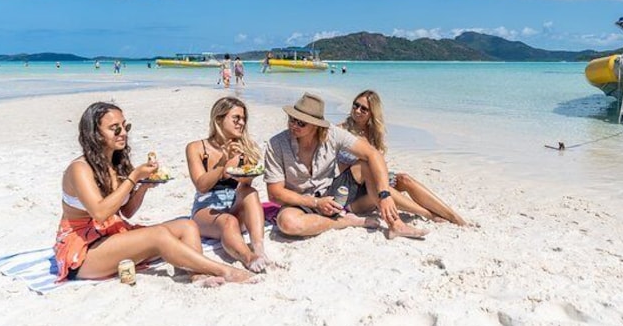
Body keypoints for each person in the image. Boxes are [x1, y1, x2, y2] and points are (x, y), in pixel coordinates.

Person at [54, 102, 255, 286]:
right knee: (158, 235)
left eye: (125, 126)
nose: (123, 132)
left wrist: (143, 186)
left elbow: (127, 211)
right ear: (95, 134)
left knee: (187, 225)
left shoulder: (115, 163)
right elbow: (100, 213)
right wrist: (134, 177)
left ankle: (196, 274)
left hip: (112, 235)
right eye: (115, 128)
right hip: (84, 251)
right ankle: (223, 270)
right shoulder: (80, 169)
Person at [265, 92, 428, 239]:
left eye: (301, 123)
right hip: (300, 199)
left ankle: (396, 225)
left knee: (365, 164)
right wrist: (315, 203)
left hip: (333, 190)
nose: (294, 125)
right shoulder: (276, 144)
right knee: (287, 223)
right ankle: (342, 222)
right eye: (292, 119)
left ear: (315, 125)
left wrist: (385, 195)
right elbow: (275, 193)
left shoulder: (332, 134)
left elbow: (373, 154)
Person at [340, 90, 466, 226]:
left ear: (372, 113)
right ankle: (428, 214)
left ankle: (453, 216)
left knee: (404, 179)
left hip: (371, 187)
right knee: (383, 188)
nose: (357, 110)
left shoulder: (372, 134)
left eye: (364, 109)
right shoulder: (341, 131)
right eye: (355, 105)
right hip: (351, 195)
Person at [186, 97, 272, 272]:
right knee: (228, 221)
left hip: (233, 204)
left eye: (243, 119)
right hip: (206, 208)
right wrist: (223, 162)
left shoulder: (243, 149)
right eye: (236, 118)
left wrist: (247, 165)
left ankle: (259, 249)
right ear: (219, 119)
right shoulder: (196, 148)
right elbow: (201, 186)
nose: (241, 123)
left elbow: (245, 184)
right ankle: (248, 258)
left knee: (251, 192)